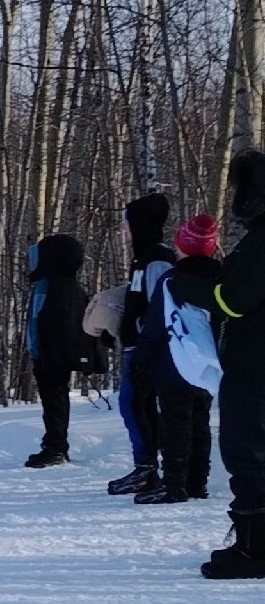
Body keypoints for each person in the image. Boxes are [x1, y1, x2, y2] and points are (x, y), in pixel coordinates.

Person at [169, 149, 265, 579]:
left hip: (254, 365)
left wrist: (192, 286)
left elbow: (235, 300)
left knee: (247, 452)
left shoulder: (261, 242)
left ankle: (254, 548)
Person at [131, 212, 216, 504]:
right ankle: (197, 482)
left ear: (183, 246)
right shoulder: (222, 276)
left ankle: (174, 483)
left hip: (175, 363)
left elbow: (156, 324)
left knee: (174, 422)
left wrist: (142, 359)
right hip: (208, 365)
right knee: (200, 422)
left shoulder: (171, 279)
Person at [108, 191, 171, 494]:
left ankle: (148, 468)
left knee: (136, 404)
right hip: (137, 346)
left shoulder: (157, 259)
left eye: (128, 223)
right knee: (135, 404)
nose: (124, 230)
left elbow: (161, 304)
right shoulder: (142, 258)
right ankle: (144, 466)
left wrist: (145, 337)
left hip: (150, 349)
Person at [23, 233, 90, 467]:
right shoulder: (47, 285)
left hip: (54, 357)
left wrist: (56, 354)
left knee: (56, 402)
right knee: (52, 402)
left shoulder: (62, 288)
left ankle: (56, 447)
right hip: (45, 354)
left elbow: (65, 324)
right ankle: (53, 444)